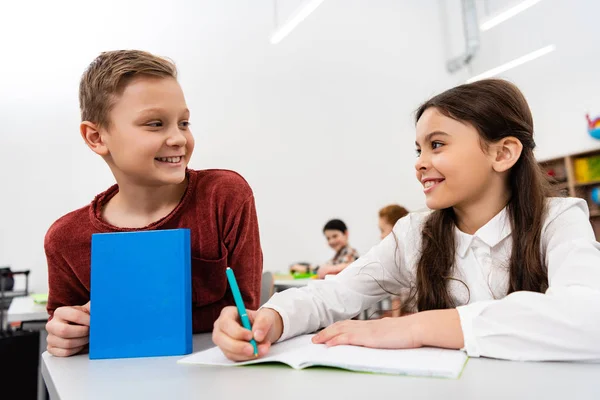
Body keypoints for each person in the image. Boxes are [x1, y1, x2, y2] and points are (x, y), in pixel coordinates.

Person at [213, 78, 600, 362]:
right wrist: (272, 318)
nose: (419, 162)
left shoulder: (559, 220)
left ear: (502, 154)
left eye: (437, 144)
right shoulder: (414, 234)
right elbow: (333, 293)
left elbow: (589, 316)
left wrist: (416, 327)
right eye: (418, 148)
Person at [44, 50, 263, 357]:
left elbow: (246, 310)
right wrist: (64, 333)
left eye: (184, 123)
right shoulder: (66, 239)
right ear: (96, 137)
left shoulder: (224, 196)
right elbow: (59, 326)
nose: (179, 139)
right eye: (155, 124)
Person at [289, 219, 359, 279]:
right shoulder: (338, 255)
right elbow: (324, 267)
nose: (331, 241)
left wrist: (306, 269)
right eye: (328, 238)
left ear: (346, 234)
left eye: (335, 236)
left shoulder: (350, 253)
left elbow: (343, 268)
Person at [377, 204, 409, 317]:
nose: (381, 236)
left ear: (397, 228)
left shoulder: (400, 258)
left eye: (382, 230)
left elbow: (397, 299)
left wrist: (395, 321)